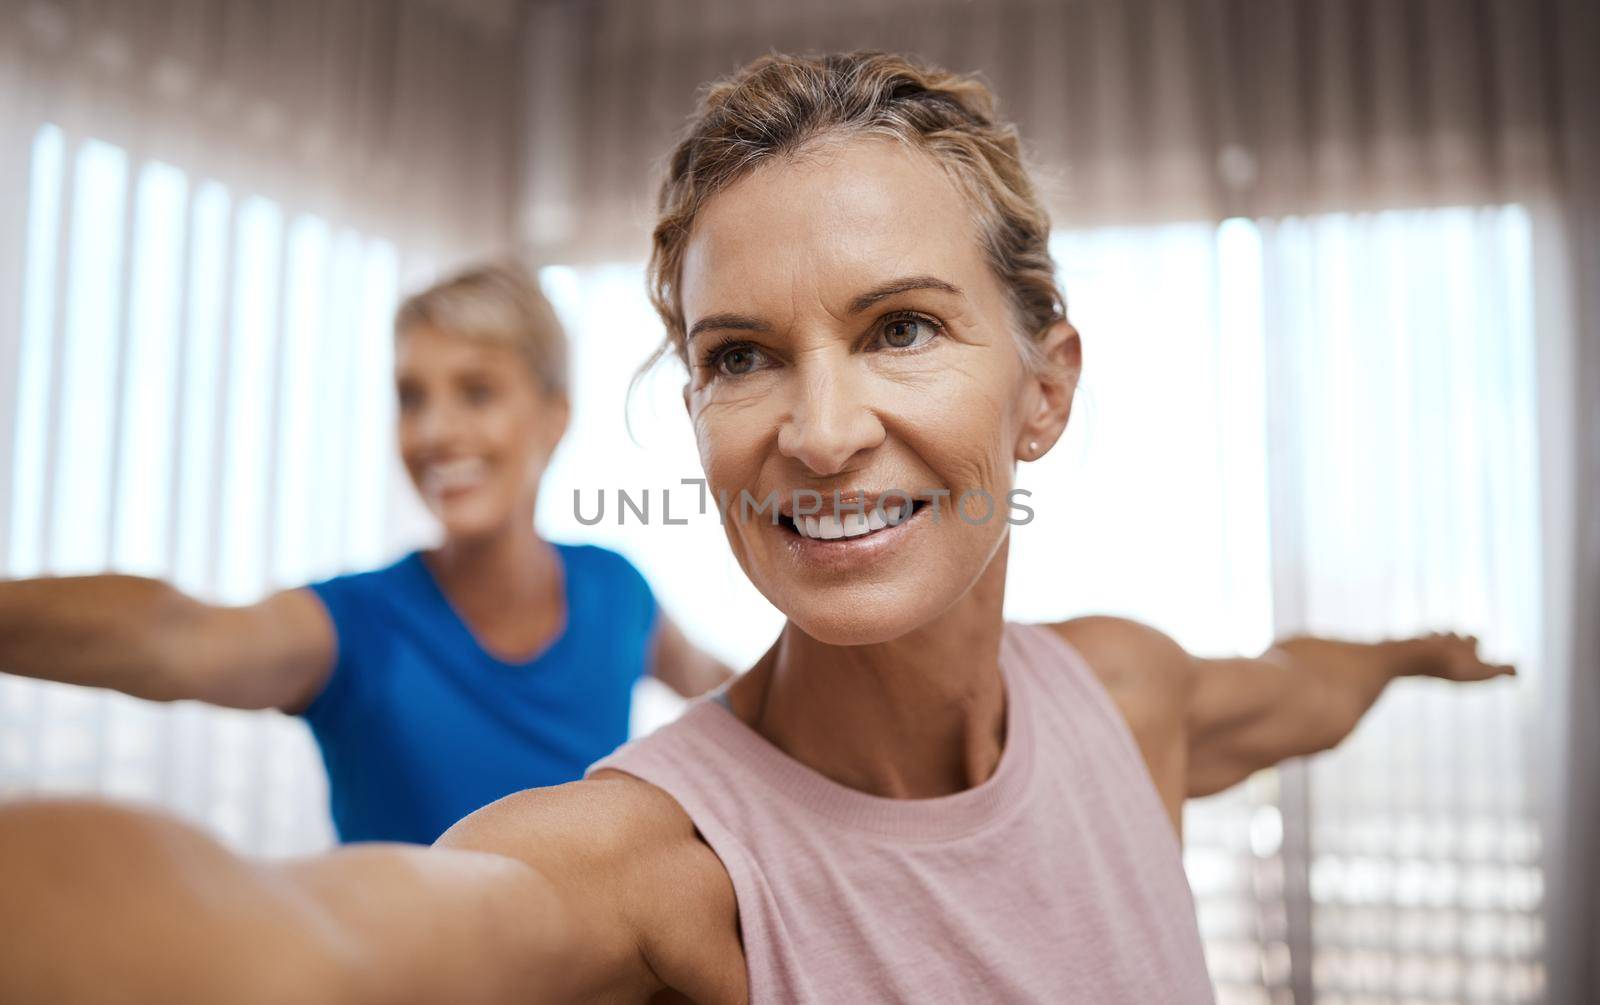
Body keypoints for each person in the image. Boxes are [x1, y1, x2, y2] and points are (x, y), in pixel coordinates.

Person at [0, 52, 1514, 1003]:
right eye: (738, 355)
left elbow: (1302, 687)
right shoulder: (643, 868)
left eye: (903, 327)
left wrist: (1404, 654)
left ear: (1044, 390)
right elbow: (312, 941)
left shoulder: (1127, 696)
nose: (823, 428)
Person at [0, 262, 730, 845]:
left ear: (553, 417)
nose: (435, 431)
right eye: (412, 397)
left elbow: (733, 695)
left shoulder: (616, 590)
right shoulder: (355, 623)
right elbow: (178, 634)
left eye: (476, 392)